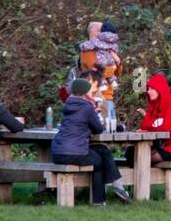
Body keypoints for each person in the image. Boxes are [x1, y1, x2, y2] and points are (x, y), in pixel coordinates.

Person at [52, 77, 130, 206]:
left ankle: (118, 187)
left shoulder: (67, 106)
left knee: (102, 150)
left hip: (57, 152)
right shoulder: (87, 107)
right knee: (98, 162)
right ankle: (102, 199)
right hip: (75, 152)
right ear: (84, 93)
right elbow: (98, 129)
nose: (91, 93)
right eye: (89, 91)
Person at [125, 73, 171, 166]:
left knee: (139, 159)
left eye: (152, 89)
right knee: (131, 153)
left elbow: (167, 128)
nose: (148, 91)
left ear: (160, 89)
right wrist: (151, 127)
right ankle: (142, 177)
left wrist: (149, 129)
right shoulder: (153, 105)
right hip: (164, 147)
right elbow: (144, 125)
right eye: (148, 89)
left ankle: (142, 178)